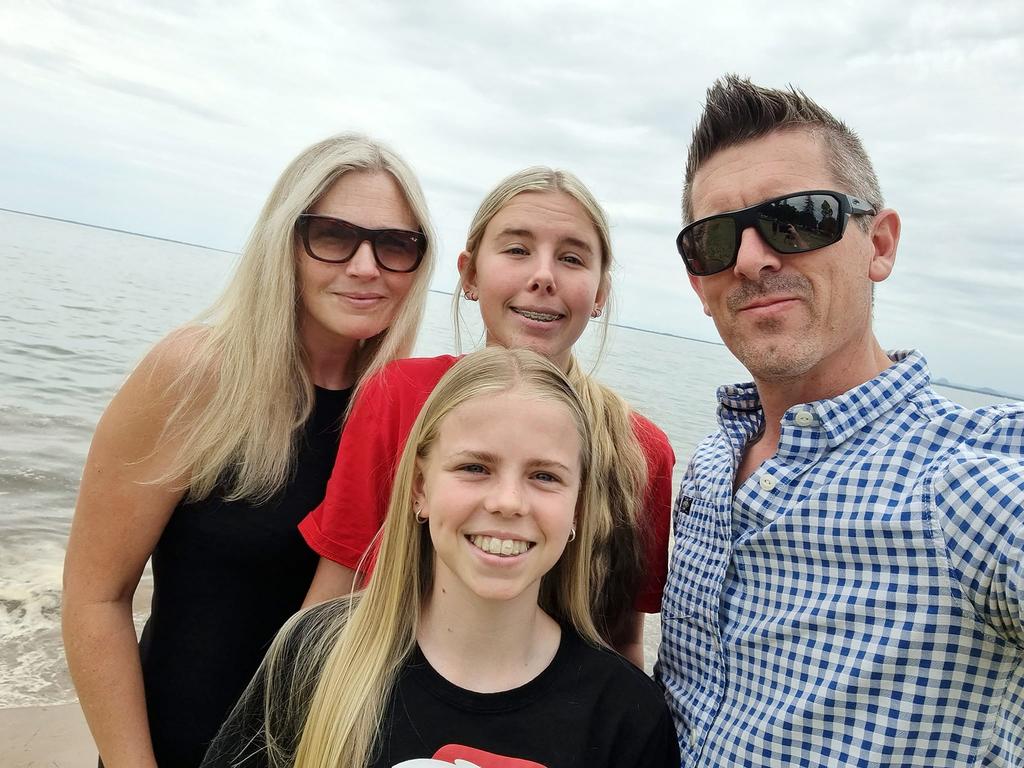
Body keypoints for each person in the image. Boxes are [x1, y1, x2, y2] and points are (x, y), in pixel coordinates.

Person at [657, 74, 1024, 766]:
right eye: (714, 240)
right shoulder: (709, 467)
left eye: (797, 218)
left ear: (879, 245)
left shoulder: (968, 482)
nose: (752, 259)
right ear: (698, 285)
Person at [61, 133, 437, 768]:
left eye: (395, 243)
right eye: (333, 235)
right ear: (284, 241)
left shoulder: (408, 411)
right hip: (174, 747)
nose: (366, 266)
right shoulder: (197, 374)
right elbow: (95, 596)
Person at [202, 347, 681, 768]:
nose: (508, 502)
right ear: (419, 489)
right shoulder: (314, 653)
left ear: (577, 506)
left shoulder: (626, 714)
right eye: (475, 467)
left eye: (545, 476)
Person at [298, 167, 675, 665]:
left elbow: (623, 639)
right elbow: (335, 594)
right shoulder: (399, 394)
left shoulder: (641, 451)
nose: (543, 276)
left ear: (600, 292)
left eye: (571, 258)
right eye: (517, 250)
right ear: (470, 274)